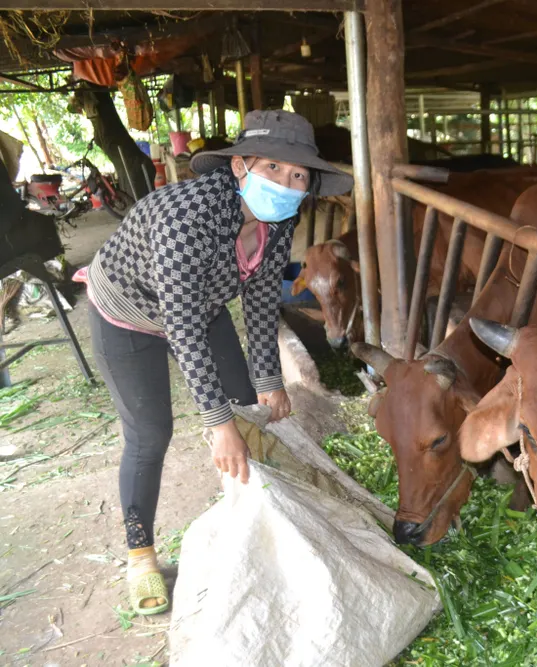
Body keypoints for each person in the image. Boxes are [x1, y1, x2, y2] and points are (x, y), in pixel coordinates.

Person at [77, 110, 352, 615]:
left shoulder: (278, 220)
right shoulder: (187, 216)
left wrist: (269, 379)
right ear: (240, 166)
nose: (286, 183)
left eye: (298, 175)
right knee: (150, 433)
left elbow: (262, 301)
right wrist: (217, 423)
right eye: (273, 168)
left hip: (201, 305)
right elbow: (180, 327)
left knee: (247, 403)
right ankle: (140, 555)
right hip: (128, 313)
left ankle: (251, 516)